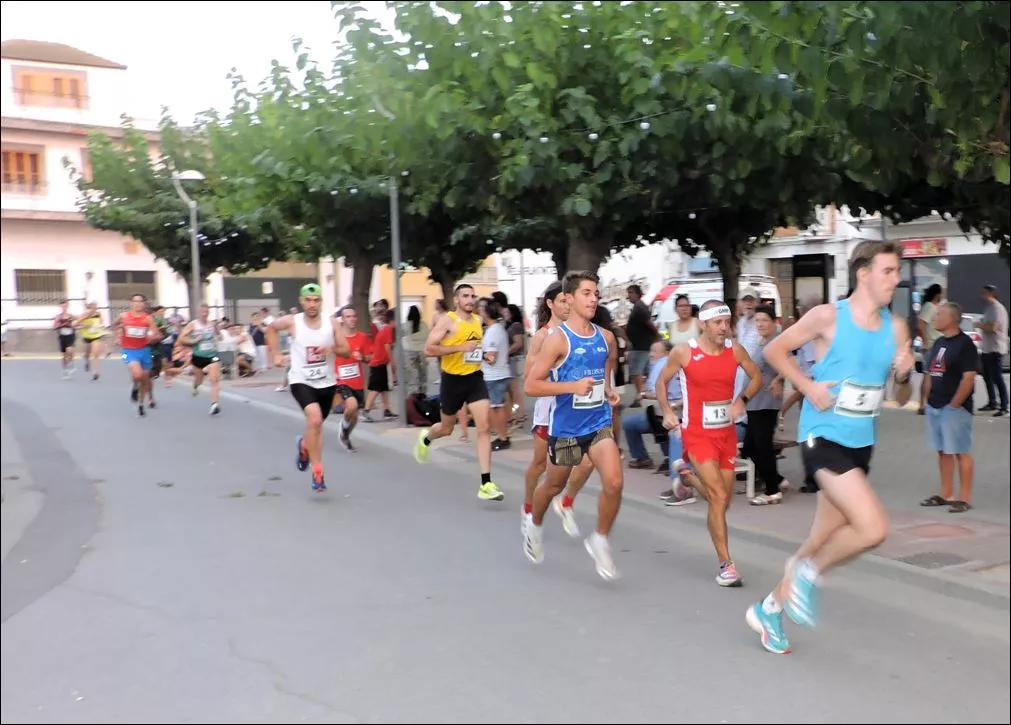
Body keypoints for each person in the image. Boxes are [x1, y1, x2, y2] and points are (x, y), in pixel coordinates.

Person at [746, 240, 914, 655]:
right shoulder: (827, 317)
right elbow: (775, 349)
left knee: (819, 540)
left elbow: (903, 393)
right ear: (864, 274)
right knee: (872, 529)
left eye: (897, 272)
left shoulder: (896, 328)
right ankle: (809, 573)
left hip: (861, 445)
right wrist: (806, 386)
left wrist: (906, 372)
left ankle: (769, 609)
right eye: (888, 271)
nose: (896, 279)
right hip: (824, 438)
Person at [655, 300, 763, 587]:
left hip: (725, 434)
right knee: (717, 496)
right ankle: (726, 565)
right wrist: (667, 411)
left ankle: (687, 479)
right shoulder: (685, 352)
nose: (724, 328)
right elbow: (661, 383)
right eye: (718, 323)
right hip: (698, 435)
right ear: (703, 324)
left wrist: (742, 400)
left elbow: (756, 377)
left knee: (723, 501)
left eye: (727, 322)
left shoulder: (734, 350)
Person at [523, 271, 622, 580]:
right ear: (569, 298)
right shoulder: (556, 339)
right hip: (566, 429)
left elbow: (600, 373)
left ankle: (600, 539)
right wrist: (571, 387)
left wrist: (606, 390)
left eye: (596, 293)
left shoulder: (605, 338)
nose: (594, 298)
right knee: (552, 485)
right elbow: (531, 385)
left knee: (615, 483)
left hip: (598, 423)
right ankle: (534, 523)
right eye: (587, 293)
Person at [414, 284, 504, 502]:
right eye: (465, 296)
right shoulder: (447, 320)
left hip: (474, 379)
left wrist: (484, 356)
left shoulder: (477, 321)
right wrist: (458, 348)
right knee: (446, 428)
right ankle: (426, 438)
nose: (470, 299)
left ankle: (486, 483)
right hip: (452, 381)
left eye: (473, 296)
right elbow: (429, 349)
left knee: (483, 427)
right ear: (456, 300)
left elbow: (473, 349)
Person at [266, 283, 351, 492]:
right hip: (300, 380)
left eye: (316, 300)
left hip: (326, 382)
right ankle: (318, 473)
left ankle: (305, 446)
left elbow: (347, 350)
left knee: (316, 427)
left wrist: (331, 348)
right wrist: (276, 354)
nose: (312, 304)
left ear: (321, 301)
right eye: (308, 300)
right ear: (301, 301)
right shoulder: (292, 322)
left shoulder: (331, 323)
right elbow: (271, 328)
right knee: (314, 420)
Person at [920, 301, 979, 514]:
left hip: (954, 409)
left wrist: (955, 404)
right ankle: (945, 493)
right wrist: (927, 399)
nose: (934, 319)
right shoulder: (938, 343)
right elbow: (929, 373)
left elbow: (969, 378)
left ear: (952, 319)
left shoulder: (965, 344)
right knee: (943, 451)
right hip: (935, 405)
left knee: (960, 451)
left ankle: (964, 497)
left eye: (939, 315)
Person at [115, 293, 162, 417]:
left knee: (145, 380)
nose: (137, 304)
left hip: (144, 350)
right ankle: (135, 386)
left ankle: (140, 404)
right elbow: (114, 325)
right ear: (131, 303)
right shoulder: (124, 316)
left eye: (140, 301)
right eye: (135, 301)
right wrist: (117, 337)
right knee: (137, 374)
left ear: (144, 304)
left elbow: (157, 335)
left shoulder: (148, 318)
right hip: (128, 351)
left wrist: (152, 337)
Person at [179, 305, 224, 415]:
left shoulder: (212, 324)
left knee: (214, 379)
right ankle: (195, 386)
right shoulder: (193, 324)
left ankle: (214, 404)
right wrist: (194, 341)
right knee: (199, 380)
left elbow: (220, 337)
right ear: (198, 313)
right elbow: (182, 338)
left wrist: (218, 334)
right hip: (198, 356)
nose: (205, 314)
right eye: (202, 312)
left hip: (212, 355)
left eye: (206, 312)